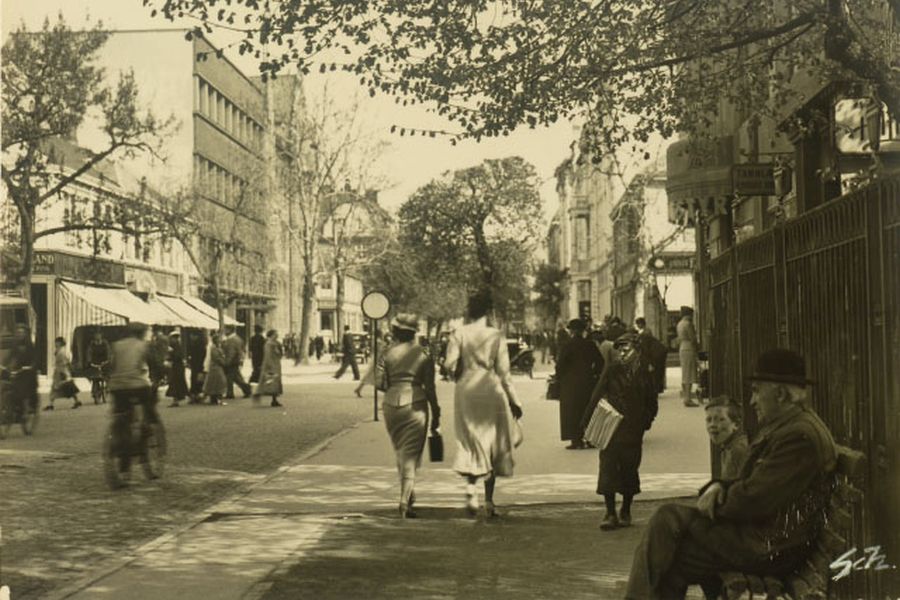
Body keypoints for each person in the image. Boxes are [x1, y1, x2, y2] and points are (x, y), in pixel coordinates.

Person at [625, 348, 837, 600]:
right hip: (768, 538)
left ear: (780, 394)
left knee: (667, 522)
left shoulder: (798, 436)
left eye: (757, 391)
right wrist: (720, 487)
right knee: (669, 552)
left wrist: (716, 500)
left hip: (770, 546)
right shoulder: (792, 426)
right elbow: (756, 485)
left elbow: (755, 498)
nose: (752, 401)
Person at [444, 289, 523, 518]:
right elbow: (505, 374)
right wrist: (515, 401)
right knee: (492, 441)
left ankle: (471, 488)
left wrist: (456, 371)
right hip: (490, 387)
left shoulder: (459, 333)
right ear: (488, 311)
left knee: (470, 439)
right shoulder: (496, 335)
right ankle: (489, 501)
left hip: (466, 390)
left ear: (469, 311)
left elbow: (449, 364)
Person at [583, 332, 658, 530]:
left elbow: (652, 400)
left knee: (629, 469)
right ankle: (609, 512)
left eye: (627, 347)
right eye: (620, 348)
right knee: (607, 468)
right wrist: (586, 421)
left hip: (633, 428)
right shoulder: (613, 369)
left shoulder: (645, 373)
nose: (623, 352)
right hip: (611, 426)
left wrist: (646, 420)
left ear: (637, 350)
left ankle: (625, 510)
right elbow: (597, 393)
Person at [380, 314, 441, 518]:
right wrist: (436, 411)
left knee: (401, 451)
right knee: (411, 455)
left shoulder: (387, 354)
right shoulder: (423, 355)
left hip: (390, 404)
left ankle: (410, 496)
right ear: (413, 333)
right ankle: (404, 501)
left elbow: (380, 383)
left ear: (396, 332)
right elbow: (430, 388)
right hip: (415, 403)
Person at [106, 322, 159, 486]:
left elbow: (110, 366)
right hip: (138, 386)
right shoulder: (144, 346)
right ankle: (145, 437)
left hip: (117, 388)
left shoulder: (116, 345)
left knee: (122, 421)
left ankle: (123, 471)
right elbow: (154, 364)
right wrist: (160, 376)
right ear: (142, 333)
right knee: (149, 412)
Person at [554, 318, 604, 449]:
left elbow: (560, 365)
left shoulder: (567, 345)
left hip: (570, 383)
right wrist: (594, 374)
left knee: (572, 412)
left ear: (572, 331)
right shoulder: (590, 344)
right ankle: (590, 439)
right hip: (587, 381)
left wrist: (559, 378)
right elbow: (600, 362)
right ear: (582, 331)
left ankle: (576, 441)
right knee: (588, 409)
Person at [705, 395, 749, 481]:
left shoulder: (737, 450)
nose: (712, 425)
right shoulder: (729, 447)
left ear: (736, 424)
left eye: (720, 420)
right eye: (709, 420)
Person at [5, 325, 39, 416]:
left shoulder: (29, 345)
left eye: (22, 333)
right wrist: (6, 365)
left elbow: (34, 357)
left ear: (25, 334)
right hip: (19, 369)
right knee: (13, 386)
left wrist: (31, 366)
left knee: (29, 387)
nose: (20, 334)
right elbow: (10, 356)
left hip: (28, 370)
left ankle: (32, 406)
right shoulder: (15, 345)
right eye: (18, 333)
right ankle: (17, 407)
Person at [635, 317, 668, 394]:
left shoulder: (646, 332)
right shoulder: (645, 331)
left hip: (651, 354)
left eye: (638, 324)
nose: (637, 325)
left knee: (652, 373)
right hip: (653, 353)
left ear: (641, 324)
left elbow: (646, 345)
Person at [46, 336, 81, 410]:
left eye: (57, 342)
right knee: (57, 388)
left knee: (66, 387)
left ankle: (76, 401)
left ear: (60, 343)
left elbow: (66, 362)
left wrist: (66, 373)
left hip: (62, 372)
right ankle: (51, 404)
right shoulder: (60, 350)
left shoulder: (62, 352)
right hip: (60, 371)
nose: (55, 343)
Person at [253, 329, 284, 407]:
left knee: (272, 382)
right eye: (275, 334)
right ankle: (259, 393)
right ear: (272, 335)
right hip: (271, 365)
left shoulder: (275, 343)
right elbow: (267, 355)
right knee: (270, 381)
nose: (277, 335)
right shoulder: (269, 344)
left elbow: (279, 354)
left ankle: (273, 398)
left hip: (275, 364)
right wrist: (269, 365)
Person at [677, 306, 699, 407]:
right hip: (689, 348)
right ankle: (688, 398)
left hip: (682, 347)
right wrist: (697, 347)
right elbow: (693, 338)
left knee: (685, 373)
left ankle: (687, 397)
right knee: (689, 375)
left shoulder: (680, 324)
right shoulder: (688, 324)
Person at [222, 326, 252, 398]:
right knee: (235, 377)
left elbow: (231, 352)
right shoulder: (237, 338)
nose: (224, 331)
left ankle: (231, 393)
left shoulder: (232, 340)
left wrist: (227, 362)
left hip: (232, 361)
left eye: (225, 330)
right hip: (236, 360)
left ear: (229, 330)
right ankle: (246, 389)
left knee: (230, 378)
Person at [203, 333, 228, 405]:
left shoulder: (217, 347)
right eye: (219, 339)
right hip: (215, 367)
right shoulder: (213, 348)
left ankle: (214, 399)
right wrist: (224, 362)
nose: (220, 340)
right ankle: (218, 399)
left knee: (215, 383)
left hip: (216, 367)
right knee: (219, 382)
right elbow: (216, 358)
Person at [87, 330, 111, 404]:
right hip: (95, 362)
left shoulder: (105, 343)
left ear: (101, 336)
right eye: (96, 335)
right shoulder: (92, 344)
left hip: (104, 362)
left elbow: (108, 352)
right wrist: (90, 361)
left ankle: (107, 389)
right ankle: (95, 393)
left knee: (107, 376)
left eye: (99, 335)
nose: (97, 337)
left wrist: (107, 360)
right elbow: (89, 353)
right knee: (94, 378)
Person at [165, 331, 189, 407]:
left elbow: (177, 356)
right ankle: (178, 398)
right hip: (177, 366)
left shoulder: (176, 347)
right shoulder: (176, 346)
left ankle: (176, 400)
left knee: (176, 383)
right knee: (178, 383)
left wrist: (171, 354)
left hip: (177, 367)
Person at [148, 326, 170, 399]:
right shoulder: (165, 338)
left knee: (155, 378)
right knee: (161, 378)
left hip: (157, 361)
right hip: (163, 360)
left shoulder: (156, 340)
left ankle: (153, 394)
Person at [187, 330, 208, 404]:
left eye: (192, 335)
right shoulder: (200, 345)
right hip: (197, 366)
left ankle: (196, 396)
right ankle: (197, 396)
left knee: (196, 381)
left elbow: (199, 357)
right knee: (197, 381)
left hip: (197, 366)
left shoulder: (197, 346)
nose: (191, 337)